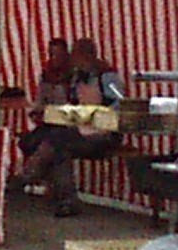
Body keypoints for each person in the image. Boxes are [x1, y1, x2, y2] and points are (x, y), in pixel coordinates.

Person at [19, 37, 127, 218]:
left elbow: (120, 105)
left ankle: (29, 175)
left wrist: (93, 115)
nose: (73, 61)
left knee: (57, 140)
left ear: (87, 56)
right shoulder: (78, 77)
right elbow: (74, 103)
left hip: (105, 133)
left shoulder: (107, 76)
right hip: (81, 130)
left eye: (76, 57)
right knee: (49, 141)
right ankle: (64, 199)